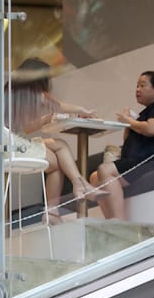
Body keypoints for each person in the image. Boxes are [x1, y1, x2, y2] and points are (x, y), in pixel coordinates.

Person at [7, 57, 107, 223]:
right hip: (13, 145)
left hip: (11, 142)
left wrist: (48, 118)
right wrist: (83, 110)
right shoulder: (30, 93)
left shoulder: (14, 91)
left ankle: (73, 190)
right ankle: (72, 193)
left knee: (59, 147)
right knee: (57, 158)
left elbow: (25, 127)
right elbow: (56, 106)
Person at [90, 70, 154, 220]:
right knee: (94, 177)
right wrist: (131, 123)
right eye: (137, 86)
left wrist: (129, 121)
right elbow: (128, 140)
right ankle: (110, 220)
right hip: (138, 160)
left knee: (105, 169)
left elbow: (152, 129)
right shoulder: (146, 113)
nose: (137, 89)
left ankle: (119, 221)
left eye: (142, 85)